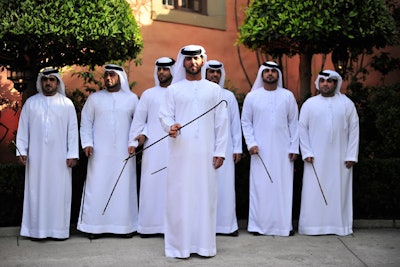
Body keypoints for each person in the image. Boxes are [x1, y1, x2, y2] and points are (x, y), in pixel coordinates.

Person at [159, 45, 228, 258]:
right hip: (180, 154)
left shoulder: (214, 90)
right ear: (183, 62)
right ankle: (179, 247)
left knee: (205, 198)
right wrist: (169, 127)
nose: (193, 62)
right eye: (188, 59)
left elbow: (221, 123)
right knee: (179, 198)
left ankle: (204, 246)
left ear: (203, 60)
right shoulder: (173, 90)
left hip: (206, 154)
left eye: (197, 58)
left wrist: (220, 151)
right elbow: (164, 116)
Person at [15, 68, 79, 241]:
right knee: (36, 192)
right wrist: (21, 151)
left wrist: (73, 153)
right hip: (36, 159)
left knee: (59, 193)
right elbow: (23, 130)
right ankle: (35, 231)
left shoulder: (67, 104)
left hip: (60, 159)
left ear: (57, 82)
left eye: (52, 79)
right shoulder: (31, 103)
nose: (48, 83)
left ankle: (58, 231)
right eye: (45, 80)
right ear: (41, 82)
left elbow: (73, 131)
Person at [78, 64, 139, 239]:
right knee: (97, 187)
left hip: (124, 152)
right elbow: (86, 122)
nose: (108, 78)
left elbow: (139, 123)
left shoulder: (132, 99)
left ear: (121, 77)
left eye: (112, 75)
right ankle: (94, 227)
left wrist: (134, 141)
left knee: (123, 188)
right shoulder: (95, 99)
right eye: (106, 75)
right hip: (99, 153)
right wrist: (87, 143)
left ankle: (124, 227)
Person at [241, 61, 299, 236]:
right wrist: (251, 143)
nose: (270, 74)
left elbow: (295, 123)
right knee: (260, 188)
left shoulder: (288, 96)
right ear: (261, 74)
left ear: (278, 75)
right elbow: (246, 122)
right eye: (266, 71)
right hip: (260, 151)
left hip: (283, 152)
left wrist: (294, 148)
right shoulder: (252, 97)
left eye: (273, 71)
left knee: (282, 188)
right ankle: (259, 226)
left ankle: (283, 226)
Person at [298, 70, 359, 236]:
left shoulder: (347, 104)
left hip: (341, 158)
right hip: (315, 158)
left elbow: (354, 130)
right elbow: (302, 129)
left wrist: (351, 155)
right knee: (313, 191)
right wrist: (306, 152)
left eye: (330, 81)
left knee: (339, 191)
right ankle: (312, 227)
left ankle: (339, 226)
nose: (326, 84)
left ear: (336, 83)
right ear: (318, 83)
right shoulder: (309, 104)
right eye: (323, 80)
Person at [128, 57, 175, 237]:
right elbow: (139, 122)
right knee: (151, 185)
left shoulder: (178, 92)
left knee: (172, 186)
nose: (161, 72)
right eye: (159, 69)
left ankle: (171, 227)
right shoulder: (148, 94)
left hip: (175, 147)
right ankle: (148, 227)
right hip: (152, 149)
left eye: (165, 69)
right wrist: (133, 142)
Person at [205, 60, 242, 237]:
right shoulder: (201, 94)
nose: (214, 75)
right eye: (211, 72)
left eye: (217, 72)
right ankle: (205, 225)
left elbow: (235, 124)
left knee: (225, 186)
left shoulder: (229, 96)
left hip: (225, 148)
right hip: (202, 148)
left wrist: (237, 148)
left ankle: (227, 226)